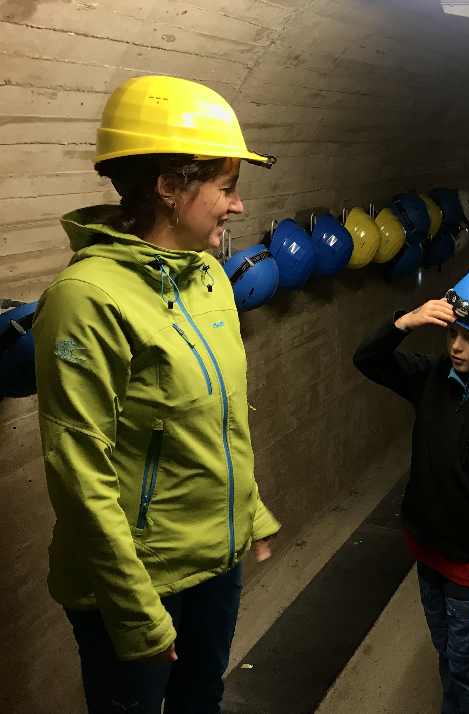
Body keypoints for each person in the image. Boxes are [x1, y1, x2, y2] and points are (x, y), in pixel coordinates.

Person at [33, 75, 280, 714]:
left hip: (213, 564)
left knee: (202, 702)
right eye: (226, 189)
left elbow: (222, 415)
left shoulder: (207, 277)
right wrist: (137, 613)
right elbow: (79, 474)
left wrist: (246, 514)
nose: (238, 207)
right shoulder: (88, 299)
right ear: (169, 187)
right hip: (137, 582)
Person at [353, 267, 469, 714]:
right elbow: (367, 359)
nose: (456, 345)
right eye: (453, 332)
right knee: (446, 651)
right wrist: (404, 322)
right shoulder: (430, 378)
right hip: (428, 550)